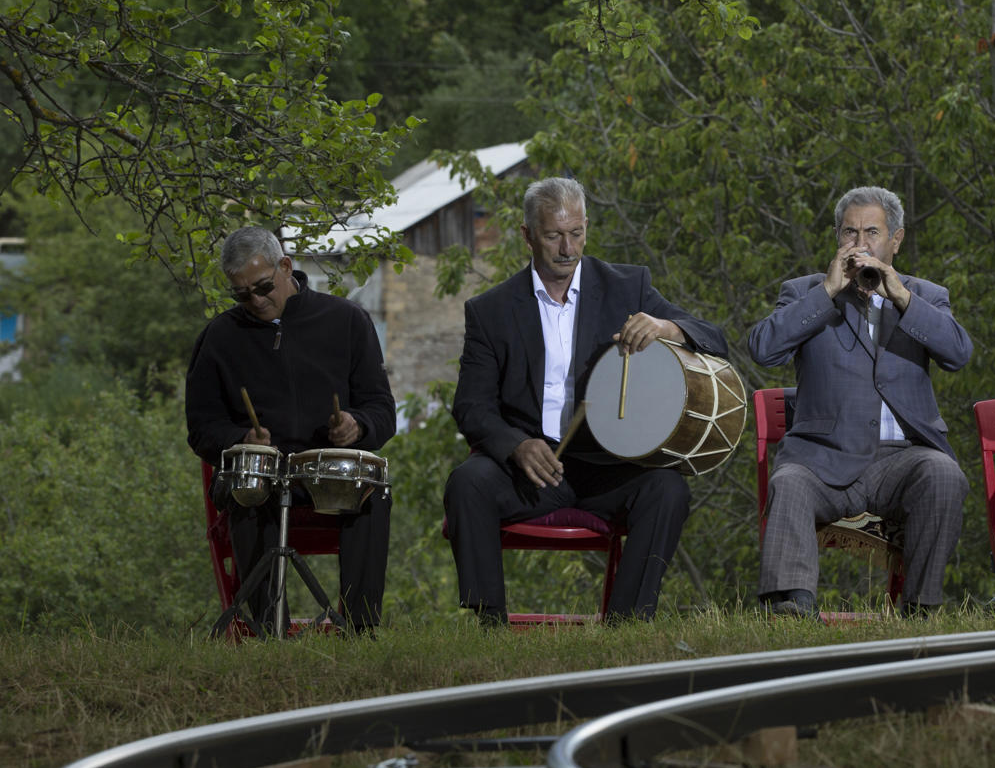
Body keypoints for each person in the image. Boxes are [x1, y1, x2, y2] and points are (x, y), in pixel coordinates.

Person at [444, 176, 728, 625]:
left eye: (576, 233)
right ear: (527, 235)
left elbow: (716, 339)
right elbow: (471, 406)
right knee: (467, 483)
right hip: (532, 468)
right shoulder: (490, 310)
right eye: (554, 235)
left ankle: (627, 623)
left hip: (608, 464)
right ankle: (489, 620)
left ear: (587, 229)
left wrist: (667, 328)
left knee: (668, 489)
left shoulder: (628, 287)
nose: (567, 248)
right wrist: (516, 446)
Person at [747, 186, 972, 617]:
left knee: (944, 474)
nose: (861, 244)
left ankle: (921, 609)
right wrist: (828, 291)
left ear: (896, 240)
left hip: (903, 460)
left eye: (872, 232)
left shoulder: (924, 295)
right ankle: (791, 608)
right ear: (837, 238)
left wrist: (902, 298)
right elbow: (763, 349)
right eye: (850, 233)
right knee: (788, 482)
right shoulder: (805, 292)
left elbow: (958, 355)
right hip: (823, 459)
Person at [186, 226, 395, 633]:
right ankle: (268, 629)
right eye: (242, 294)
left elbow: (382, 411)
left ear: (286, 266)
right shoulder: (219, 337)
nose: (256, 301)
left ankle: (360, 628)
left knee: (374, 494)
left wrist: (357, 426)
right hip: (260, 471)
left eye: (263, 287)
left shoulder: (347, 320)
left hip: (326, 470)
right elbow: (200, 428)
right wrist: (241, 439)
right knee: (247, 488)